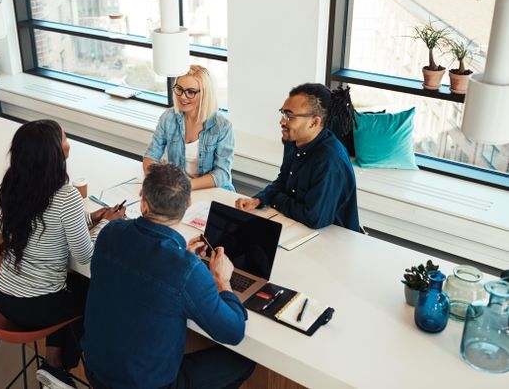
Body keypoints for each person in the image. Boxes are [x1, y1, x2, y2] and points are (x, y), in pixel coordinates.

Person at [82, 163, 255, 389]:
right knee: (242, 362)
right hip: (144, 385)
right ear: (188, 205)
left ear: (143, 204)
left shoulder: (109, 232)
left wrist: (182, 257)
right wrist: (222, 281)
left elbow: (136, 277)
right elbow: (233, 331)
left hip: (96, 372)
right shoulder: (187, 269)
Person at [0, 120, 125, 389]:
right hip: (37, 307)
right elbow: (86, 255)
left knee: (71, 287)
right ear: (55, 153)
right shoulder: (66, 196)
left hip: (3, 296)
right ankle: (81, 373)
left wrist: (92, 217)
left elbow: (45, 223)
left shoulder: (13, 186)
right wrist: (107, 224)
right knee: (91, 290)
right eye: (65, 138)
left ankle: (53, 365)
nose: (69, 143)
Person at [235, 83, 362, 233]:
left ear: (314, 122)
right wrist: (259, 200)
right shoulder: (293, 142)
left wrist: (276, 199)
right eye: (283, 113)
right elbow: (283, 180)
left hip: (332, 238)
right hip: (297, 226)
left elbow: (314, 218)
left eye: (290, 116)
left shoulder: (330, 160)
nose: (282, 121)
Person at [143, 65, 235, 191]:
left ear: (205, 94)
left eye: (191, 92)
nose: (183, 97)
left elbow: (222, 174)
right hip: (177, 191)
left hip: (212, 191)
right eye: (179, 89)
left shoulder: (222, 126)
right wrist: (154, 182)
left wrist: (183, 187)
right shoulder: (169, 117)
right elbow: (151, 156)